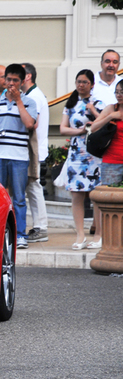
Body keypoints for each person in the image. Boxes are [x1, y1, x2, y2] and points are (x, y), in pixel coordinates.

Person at [0, 64, 38, 250]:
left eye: (16, 80)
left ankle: (20, 235)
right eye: (9, 79)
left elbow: (29, 123)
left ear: (22, 81)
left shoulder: (29, 102)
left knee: (18, 197)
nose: (11, 83)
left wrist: (18, 101)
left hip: (19, 155)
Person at [60, 70, 104, 250]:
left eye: (85, 82)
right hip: (76, 154)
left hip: (94, 154)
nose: (81, 85)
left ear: (92, 84)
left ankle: (99, 234)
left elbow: (105, 123)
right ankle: (80, 234)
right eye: (78, 81)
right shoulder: (70, 104)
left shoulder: (98, 103)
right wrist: (79, 131)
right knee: (76, 195)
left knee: (96, 196)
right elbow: (63, 129)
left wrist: (93, 111)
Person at [22, 63, 50, 243]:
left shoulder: (34, 97)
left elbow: (33, 123)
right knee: (32, 187)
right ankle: (39, 226)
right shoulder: (32, 94)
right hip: (34, 150)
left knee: (34, 187)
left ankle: (41, 227)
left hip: (35, 150)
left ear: (28, 76)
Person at [90, 79, 123, 216]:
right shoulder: (112, 108)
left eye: (122, 92)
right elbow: (93, 128)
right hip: (112, 161)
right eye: (117, 92)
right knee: (109, 200)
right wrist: (110, 117)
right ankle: (108, 235)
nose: (119, 95)